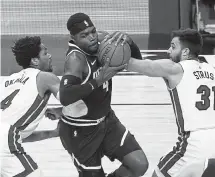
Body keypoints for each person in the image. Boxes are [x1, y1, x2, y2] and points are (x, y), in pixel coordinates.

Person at [58, 12, 148, 177]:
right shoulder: (76, 59)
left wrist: (130, 42)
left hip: (107, 121)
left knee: (139, 165)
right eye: (84, 35)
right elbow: (65, 96)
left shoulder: (104, 41)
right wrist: (98, 81)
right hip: (81, 131)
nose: (92, 37)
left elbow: (138, 61)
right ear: (73, 38)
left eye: (93, 31)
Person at [116, 28, 215, 177]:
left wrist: (114, 53)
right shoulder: (211, 69)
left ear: (185, 52)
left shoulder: (175, 69)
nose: (168, 50)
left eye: (173, 46)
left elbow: (141, 66)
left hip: (193, 142)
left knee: (159, 174)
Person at [0, 36, 61, 177]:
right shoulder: (45, 77)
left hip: (5, 139)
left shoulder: (7, 81)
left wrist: (53, 133)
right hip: (5, 142)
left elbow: (18, 134)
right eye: (45, 53)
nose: (50, 56)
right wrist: (61, 111)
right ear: (34, 60)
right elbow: (76, 104)